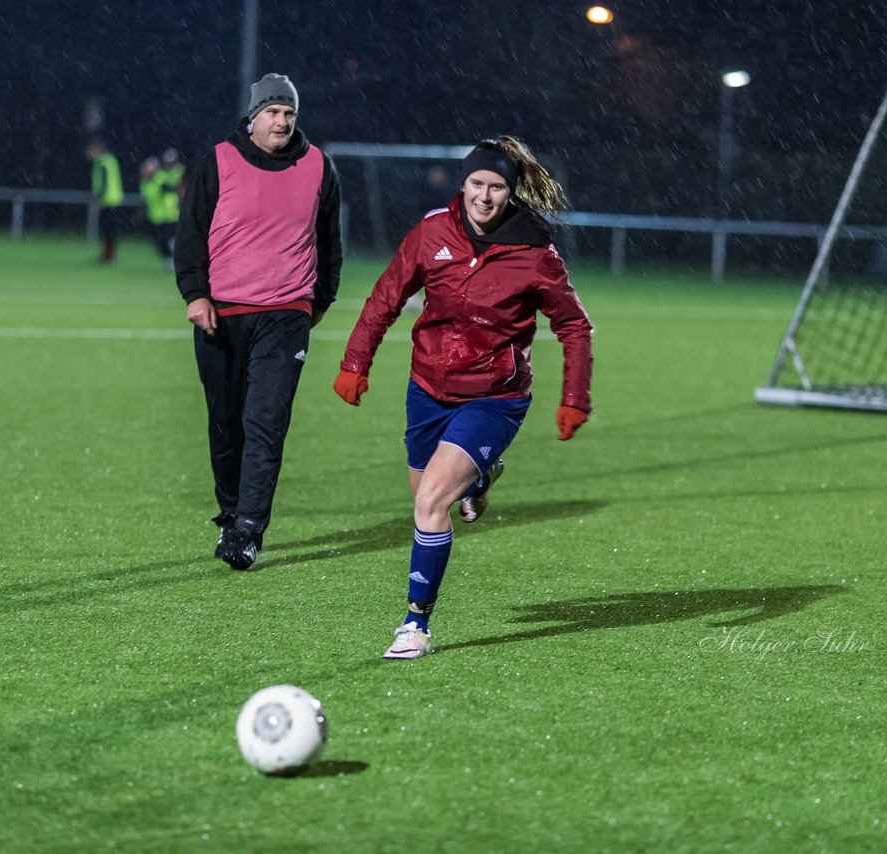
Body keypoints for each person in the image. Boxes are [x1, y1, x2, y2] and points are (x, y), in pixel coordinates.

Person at [333, 136, 593, 659]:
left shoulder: (535, 254)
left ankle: (415, 625)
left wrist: (575, 397)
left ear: (510, 191)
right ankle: (479, 475)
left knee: (431, 501)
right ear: (463, 184)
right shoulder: (432, 233)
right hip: (427, 388)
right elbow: (386, 298)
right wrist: (354, 363)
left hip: (493, 397)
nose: (485, 196)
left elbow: (574, 326)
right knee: (424, 498)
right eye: (477, 184)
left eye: (496, 187)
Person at [175, 73, 343, 571]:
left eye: (289, 113)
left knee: (266, 423)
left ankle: (249, 529)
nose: (282, 121)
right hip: (220, 318)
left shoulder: (318, 167)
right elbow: (190, 234)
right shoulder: (219, 161)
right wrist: (195, 294)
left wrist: (319, 302)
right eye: (273, 112)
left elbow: (330, 243)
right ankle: (231, 512)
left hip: (286, 316)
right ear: (253, 117)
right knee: (226, 425)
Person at [85, 139, 123, 262]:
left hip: (109, 201)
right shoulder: (109, 160)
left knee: (108, 230)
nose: (88, 153)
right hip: (113, 200)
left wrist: (97, 198)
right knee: (109, 230)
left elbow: (104, 182)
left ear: (97, 150)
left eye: (91, 150)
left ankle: (108, 255)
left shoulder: (103, 162)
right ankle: (108, 254)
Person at [138, 156, 178, 268]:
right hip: (154, 216)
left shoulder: (162, 178)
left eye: (149, 167)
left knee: (167, 240)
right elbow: (148, 198)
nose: (146, 170)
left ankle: (174, 259)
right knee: (158, 241)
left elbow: (172, 192)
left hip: (167, 216)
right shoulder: (145, 182)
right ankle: (168, 260)